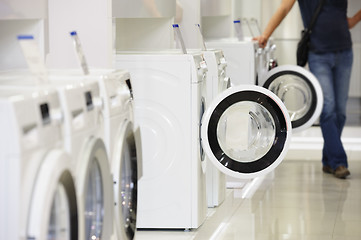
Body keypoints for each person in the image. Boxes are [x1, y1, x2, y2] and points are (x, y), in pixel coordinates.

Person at [254, 0, 361, 179]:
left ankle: (328, 159)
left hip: (345, 53)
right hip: (318, 55)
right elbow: (284, 8)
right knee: (328, 109)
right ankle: (338, 161)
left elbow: (344, 20)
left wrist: (356, 18)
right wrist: (265, 35)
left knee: (341, 112)